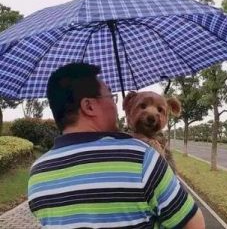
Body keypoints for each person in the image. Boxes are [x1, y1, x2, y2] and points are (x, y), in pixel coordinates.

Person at [28, 63, 205, 229]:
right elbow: (195, 225)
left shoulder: (36, 173)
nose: (116, 104)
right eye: (111, 96)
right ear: (89, 106)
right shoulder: (143, 157)